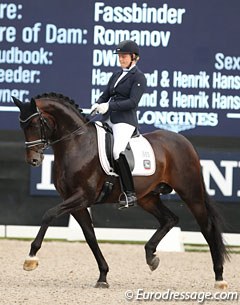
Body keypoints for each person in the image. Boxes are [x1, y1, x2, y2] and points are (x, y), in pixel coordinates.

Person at [91, 40, 147, 209]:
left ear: (134, 58)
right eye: (120, 56)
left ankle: (130, 193)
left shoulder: (139, 77)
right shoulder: (116, 75)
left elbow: (132, 102)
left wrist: (109, 106)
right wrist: (97, 103)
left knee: (117, 151)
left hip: (125, 121)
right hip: (108, 118)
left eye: (124, 56)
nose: (121, 59)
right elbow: (106, 94)